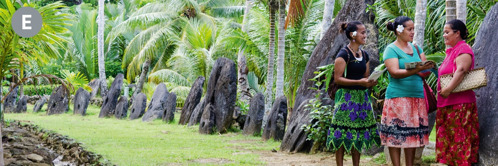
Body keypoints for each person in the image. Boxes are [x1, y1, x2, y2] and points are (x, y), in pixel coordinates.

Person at [379, 16, 434, 166]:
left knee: (412, 136)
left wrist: (426, 68)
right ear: (399, 31)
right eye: (409, 29)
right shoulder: (391, 49)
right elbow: (395, 72)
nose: (412, 32)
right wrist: (417, 69)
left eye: (413, 29)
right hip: (398, 97)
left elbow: (424, 70)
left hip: (417, 97)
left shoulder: (416, 48)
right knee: (395, 135)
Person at [326, 21, 380, 166]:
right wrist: (359, 82)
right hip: (346, 99)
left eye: (365, 32)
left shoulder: (365, 55)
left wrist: (370, 82)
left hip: (362, 98)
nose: (365, 35)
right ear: (352, 35)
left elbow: (366, 75)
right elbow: (338, 79)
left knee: (358, 134)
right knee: (342, 133)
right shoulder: (343, 54)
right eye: (362, 32)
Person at [436, 19, 479, 166]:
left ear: (457, 33)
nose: (444, 35)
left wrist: (448, 89)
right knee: (450, 140)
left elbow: (461, 70)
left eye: (447, 32)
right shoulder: (452, 51)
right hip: (448, 102)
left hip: (460, 104)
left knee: (460, 140)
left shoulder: (463, 49)